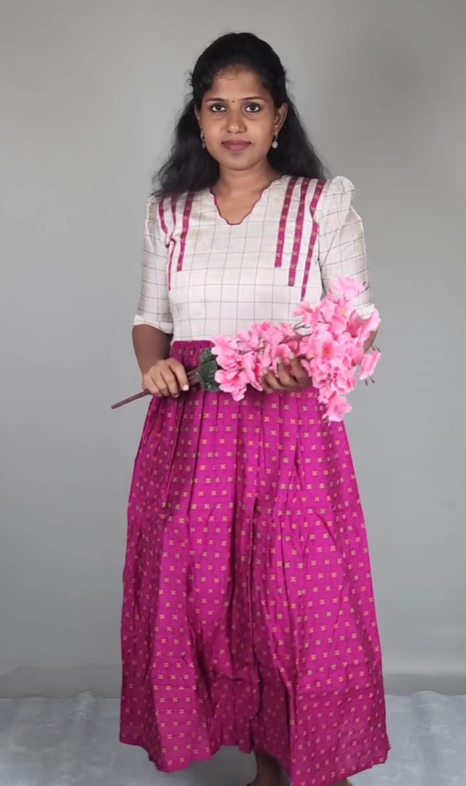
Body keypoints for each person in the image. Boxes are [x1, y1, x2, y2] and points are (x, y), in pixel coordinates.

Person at [120, 31, 389, 786]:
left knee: (295, 600)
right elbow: (151, 319)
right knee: (205, 595)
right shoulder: (170, 215)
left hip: (290, 431)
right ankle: (258, 763)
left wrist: (309, 365)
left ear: (279, 118)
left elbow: (357, 319)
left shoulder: (321, 206)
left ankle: (306, 769)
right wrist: (152, 366)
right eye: (217, 108)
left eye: (251, 107)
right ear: (198, 119)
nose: (234, 124)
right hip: (192, 432)